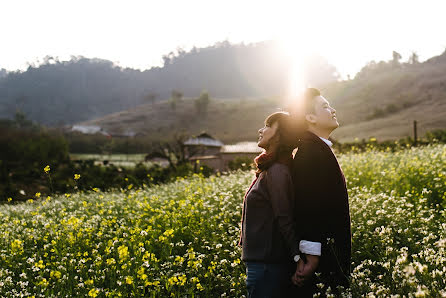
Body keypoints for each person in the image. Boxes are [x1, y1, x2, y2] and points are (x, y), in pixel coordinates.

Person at [239, 111, 321, 298]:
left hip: (268, 267)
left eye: (268, 126)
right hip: (262, 265)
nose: (261, 130)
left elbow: (284, 218)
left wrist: (297, 258)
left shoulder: (277, 171)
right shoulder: (271, 169)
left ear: (280, 134)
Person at [290, 88, 352, 296]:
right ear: (310, 117)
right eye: (325, 106)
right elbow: (308, 207)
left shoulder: (317, 149)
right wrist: (312, 256)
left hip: (327, 254)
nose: (332, 110)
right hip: (323, 261)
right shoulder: (310, 152)